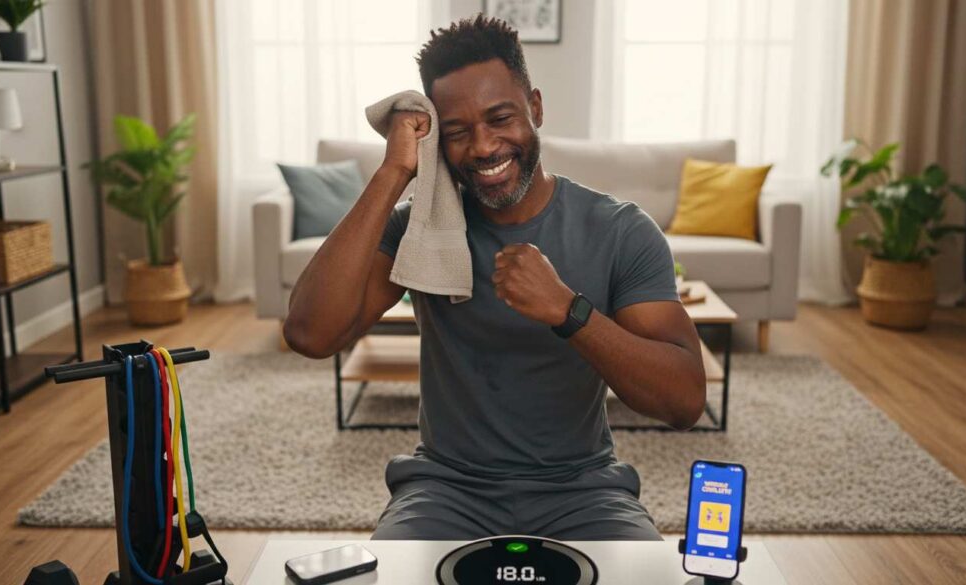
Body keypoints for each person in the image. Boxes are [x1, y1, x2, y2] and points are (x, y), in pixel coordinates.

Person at [284, 14, 706, 541]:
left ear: (536, 108)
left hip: (584, 490)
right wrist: (393, 172)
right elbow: (310, 334)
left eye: (500, 118)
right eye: (457, 132)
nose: (483, 147)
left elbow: (685, 402)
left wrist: (569, 312)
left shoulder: (619, 230)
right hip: (444, 489)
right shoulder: (423, 228)